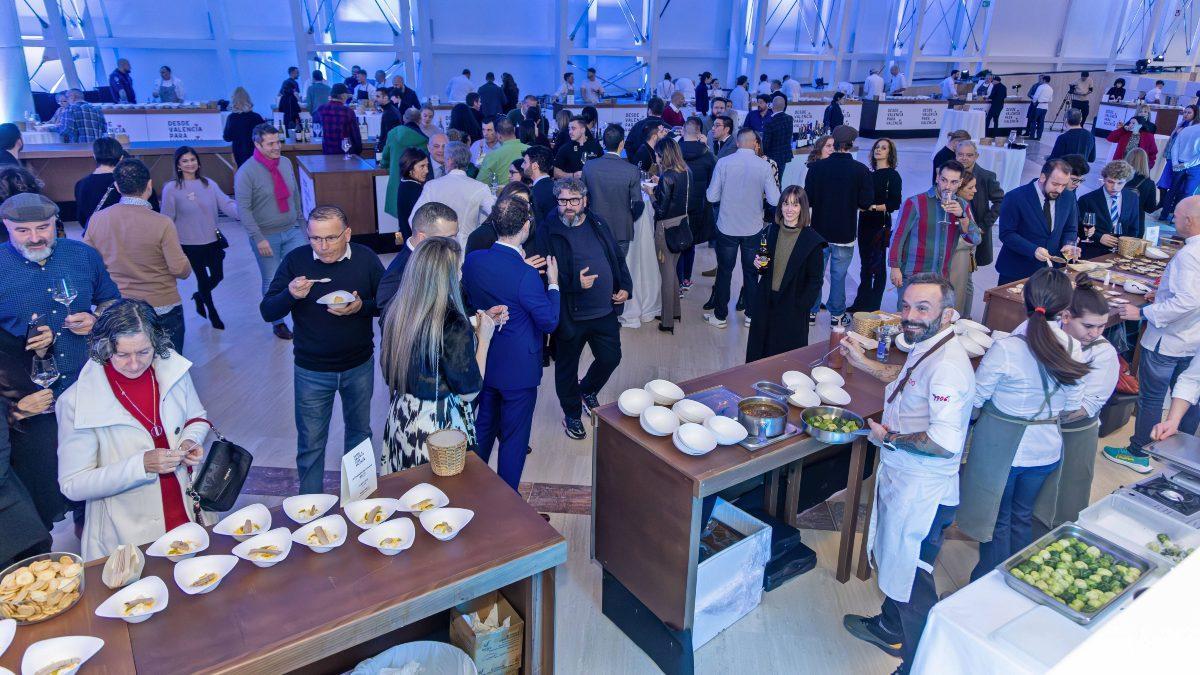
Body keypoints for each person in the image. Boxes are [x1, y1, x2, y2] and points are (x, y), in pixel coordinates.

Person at [840, 274, 974, 674]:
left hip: (924, 492)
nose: (909, 317)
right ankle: (887, 625)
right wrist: (862, 363)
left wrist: (891, 436)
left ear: (948, 314)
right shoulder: (929, 345)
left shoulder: (949, 367)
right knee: (899, 564)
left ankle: (918, 664)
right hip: (907, 479)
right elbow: (902, 380)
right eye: (906, 307)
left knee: (914, 583)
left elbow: (943, 442)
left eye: (922, 309)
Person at [1, 193, 120, 532]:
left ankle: (96, 548)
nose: (35, 237)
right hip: (30, 401)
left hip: (88, 385)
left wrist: (96, 317)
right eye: (22, 231)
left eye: (43, 228)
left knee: (96, 483)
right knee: (40, 492)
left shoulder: (82, 256)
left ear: (56, 223)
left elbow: (112, 301)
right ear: (6, 227)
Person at [960, 268, 1088, 581]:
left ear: (1025, 300)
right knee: (1022, 516)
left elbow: (975, 401)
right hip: (1046, 451)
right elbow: (1073, 407)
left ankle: (987, 586)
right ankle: (1018, 582)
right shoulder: (1073, 348)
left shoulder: (1006, 348)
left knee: (997, 521)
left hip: (1003, 452)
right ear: (1066, 309)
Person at [56, 299, 209, 561]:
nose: (135, 364)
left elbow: (197, 417)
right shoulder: (76, 401)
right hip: (127, 531)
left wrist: (189, 442)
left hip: (187, 510)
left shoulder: (172, 369)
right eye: (123, 355)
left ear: (157, 344)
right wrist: (142, 465)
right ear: (104, 348)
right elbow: (73, 485)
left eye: (144, 352)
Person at [260, 206, 383, 494]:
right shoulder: (295, 260)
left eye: (330, 238)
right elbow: (267, 311)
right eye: (315, 239)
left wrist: (360, 306)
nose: (323, 247)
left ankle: (359, 501)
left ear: (347, 234)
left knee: (359, 435)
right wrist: (290, 294)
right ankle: (310, 510)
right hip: (311, 369)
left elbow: (390, 299)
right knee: (311, 444)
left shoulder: (365, 258)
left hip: (358, 365)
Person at [463, 199, 560, 489]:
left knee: (483, 427)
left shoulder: (474, 261)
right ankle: (507, 503)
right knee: (514, 439)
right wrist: (553, 284)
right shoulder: (526, 275)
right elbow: (549, 321)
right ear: (526, 227)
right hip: (519, 368)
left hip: (485, 357)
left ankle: (470, 489)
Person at [1105, 195, 1200, 472]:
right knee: (1189, 398)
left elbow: (1188, 300)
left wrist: (1144, 313)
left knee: (1151, 397)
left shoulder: (1189, 254)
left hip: (1168, 340)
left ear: (1189, 221)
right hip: (1192, 338)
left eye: (1178, 217)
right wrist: (1163, 293)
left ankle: (1139, 452)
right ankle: (1178, 452)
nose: (1174, 220)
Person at [381, 235, 491, 471]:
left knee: (407, 497)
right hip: (439, 429)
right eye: (458, 268)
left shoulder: (396, 312)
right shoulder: (453, 322)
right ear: (446, 276)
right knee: (441, 500)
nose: (461, 273)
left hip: (401, 419)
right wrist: (484, 340)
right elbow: (469, 392)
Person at [1031, 279, 1119, 532]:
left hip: (1074, 434)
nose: (1095, 333)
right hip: (1041, 428)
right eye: (1089, 326)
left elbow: (1085, 406)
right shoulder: (1048, 334)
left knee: (1064, 494)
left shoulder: (1103, 354)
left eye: (1102, 326)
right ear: (1066, 316)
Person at [546, 178, 631, 439]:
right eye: (563, 201)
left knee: (611, 357)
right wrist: (574, 283)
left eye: (574, 200)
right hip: (571, 315)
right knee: (566, 370)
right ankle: (572, 414)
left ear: (584, 201)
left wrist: (625, 286)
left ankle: (588, 389)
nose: (568, 206)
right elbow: (544, 275)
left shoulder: (597, 222)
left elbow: (616, 257)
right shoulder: (548, 230)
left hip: (603, 309)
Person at [84, 159, 191, 352]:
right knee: (169, 366)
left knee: (129, 367)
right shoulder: (162, 223)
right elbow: (179, 269)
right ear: (149, 184)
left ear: (117, 186)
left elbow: (87, 264)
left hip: (118, 307)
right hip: (162, 305)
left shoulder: (98, 219)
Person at [234, 123, 307, 340]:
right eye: (271, 144)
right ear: (257, 144)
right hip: (266, 237)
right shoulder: (246, 173)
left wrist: (301, 222)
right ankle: (278, 321)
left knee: (303, 270)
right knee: (272, 280)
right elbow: (244, 210)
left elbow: (294, 195)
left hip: (292, 229)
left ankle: (305, 314)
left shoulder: (285, 163)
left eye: (278, 142)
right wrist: (258, 238)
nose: (277, 147)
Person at [705, 128, 781, 328]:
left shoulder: (723, 163)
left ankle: (720, 316)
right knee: (751, 272)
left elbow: (711, 197)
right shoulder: (764, 166)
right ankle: (750, 315)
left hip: (727, 227)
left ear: (737, 143)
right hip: (753, 228)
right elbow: (774, 199)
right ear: (755, 144)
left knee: (724, 272)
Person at [744, 186, 825, 361]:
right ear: (780, 206)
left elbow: (815, 281)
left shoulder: (813, 241)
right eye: (786, 204)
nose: (789, 209)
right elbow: (763, 268)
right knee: (759, 354)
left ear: (803, 208)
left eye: (795, 205)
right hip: (765, 302)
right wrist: (759, 264)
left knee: (786, 360)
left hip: (792, 307)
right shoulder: (770, 231)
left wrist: (800, 307)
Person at [161, 147, 237, 330]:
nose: (190, 164)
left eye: (192, 159)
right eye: (185, 161)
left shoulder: (208, 184)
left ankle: (199, 296)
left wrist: (247, 213)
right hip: (189, 244)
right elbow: (167, 218)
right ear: (178, 166)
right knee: (203, 279)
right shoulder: (171, 188)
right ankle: (212, 312)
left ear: (198, 162)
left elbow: (226, 205)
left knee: (218, 276)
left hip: (212, 240)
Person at [806, 125, 874, 326]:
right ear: (851, 145)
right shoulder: (861, 171)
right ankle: (836, 315)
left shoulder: (816, 168)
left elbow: (808, 199)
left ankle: (810, 311)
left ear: (834, 144)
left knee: (816, 273)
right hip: (845, 233)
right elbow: (865, 203)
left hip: (819, 231)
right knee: (839, 276)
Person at [889, 160, 980, 290]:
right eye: (944, 180)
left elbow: (975, 239)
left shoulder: (962, 206)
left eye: (953, 182)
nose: (947, 186)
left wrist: (962, 217)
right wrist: (894, 267)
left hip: (941, 278)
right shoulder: (915, 202)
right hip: (913, 276)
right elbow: (898, 236)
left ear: (960, 183)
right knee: (908, 310)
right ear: (937, 178)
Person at [995, 159, 1081, 285]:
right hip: (1017, 271)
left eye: (1064, 185)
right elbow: (1007, 234)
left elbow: (1070, 229)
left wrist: (1068, 244)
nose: (1059, 190)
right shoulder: (1015, 197)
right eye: (1055, 184)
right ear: (1042, 177)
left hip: (1052, 272)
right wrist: (1033, 250)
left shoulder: (1069, 197)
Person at [849, 138, 902, 314]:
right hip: (864, 222)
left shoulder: (893, 176)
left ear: (890, 153)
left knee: (877, 266)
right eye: (877, 147)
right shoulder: (868, 174)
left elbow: (895, 203)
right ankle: (860, 303)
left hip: (880, 224)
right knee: (865, 264)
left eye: (883, 148)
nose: (879, 150)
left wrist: (870, 207)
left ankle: (873, 306)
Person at [378, 202, 460, 312]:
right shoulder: (398, 275)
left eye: (455, 236)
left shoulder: (442, 256)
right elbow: (390, 318)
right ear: (422, 238)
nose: (455, 243)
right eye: (448, 238)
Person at [643, 137, 689, 334]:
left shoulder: (667, 177)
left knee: (666, 274)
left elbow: (660, 210)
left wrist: (651, 193)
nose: (656, 156)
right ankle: (675, 311)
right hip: (682, 224)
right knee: (673, 270)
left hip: (665, 228)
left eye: (658, 154)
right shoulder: (685, 172)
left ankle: (667, 320)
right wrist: (659, 184)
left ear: (664, 155)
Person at [413, 141, 496, 247]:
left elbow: (414, 218)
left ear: (449, 160)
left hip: (437, 248)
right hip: (467, 249)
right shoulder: (480, 187)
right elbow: (496, 214)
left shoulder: (432, 186)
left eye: (445, 158)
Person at [581, 125, 643, 258]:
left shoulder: (589, 166)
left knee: (599, 269)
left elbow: (582, 198)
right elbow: (638, 204)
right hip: (622, 229)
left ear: (603, 143)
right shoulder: (631, 170)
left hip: (595, 227)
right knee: (619, 271)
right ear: (622, 143)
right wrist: (629, 217)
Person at [954, 138, 1004, 277]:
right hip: (952, 232)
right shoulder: (948, 174)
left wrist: (984, 225)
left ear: (976, 156)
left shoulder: (986, 176)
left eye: (969, 155)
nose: (964, 158)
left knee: (967, 275)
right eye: (960, 154)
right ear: (955, 154)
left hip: (975, 232)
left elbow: (1000, 201)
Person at [678, 118, 717, 293]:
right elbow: (713, 182)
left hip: (676, 205)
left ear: (683, 131)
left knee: (675, 244)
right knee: (690, 243)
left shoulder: (675, 153)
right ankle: (686, 278)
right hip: (698, 205)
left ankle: (676, 280)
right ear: (700, 133)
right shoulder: (708, 155)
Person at [1077, 160, 1141, 258]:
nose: (1114, 187)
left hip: (1120, 254)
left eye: (1120, 183)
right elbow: (1078, 227)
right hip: (1092, 253)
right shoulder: (1087, 199)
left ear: (1126, 181)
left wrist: (1127, 248)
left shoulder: (1132, 198)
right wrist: (1099, 237)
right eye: (1110, 182)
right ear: (1104, 179)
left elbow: (1134, 227)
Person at [1158, 104, 1199, 221]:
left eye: (1189, 112)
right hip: (1194, 166)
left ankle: (1164, 215)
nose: (1186, 115)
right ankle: (1177, 218)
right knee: (1187, 193)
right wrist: (1183, 165)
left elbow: (1175, 146)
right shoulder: (1184, 127)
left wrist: (1176, 163)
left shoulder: (1185, 129)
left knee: (1173, 190)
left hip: (1180, 163)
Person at [475, 118, 529, 187]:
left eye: (489, 130)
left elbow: (480, 183)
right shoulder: (530, 149)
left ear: (499, 136)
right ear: (514, 130)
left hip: (504, 195)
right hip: (527, 194)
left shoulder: (491, 156)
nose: (486, 133)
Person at [222, 87, 266, 167]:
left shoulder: (231, 118)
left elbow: (227, 137)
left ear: (234, 101)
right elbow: (265, 135)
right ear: (248, 100)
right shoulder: (256, 117)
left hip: (239, 153)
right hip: (256, 152)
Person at [314, 84, 362, 156]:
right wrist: (359, 150)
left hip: (328, 150)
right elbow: (355, 134)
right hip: (345, 151)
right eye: (346, 94)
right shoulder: (348, 111)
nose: (347, 96)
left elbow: (315, 125)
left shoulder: (321, 109)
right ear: (343, 96)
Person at [1123, 147, 1159, 230]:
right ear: (1145, 162)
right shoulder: (1149, 183)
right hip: (1136, 223)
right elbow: (1150, 209)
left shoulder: (1119, 178)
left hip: (1116, 220)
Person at [762, 94, 794, 183]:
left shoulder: (769, 122)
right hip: (783, 156)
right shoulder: (789, 119)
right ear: (784, 106)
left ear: (772, 105)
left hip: (771, 158)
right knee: (779, 181)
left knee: (771, 184)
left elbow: (766, 143)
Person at [624, 98, 666, 165]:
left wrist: (635, 163)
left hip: (639, 169)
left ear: (649, 110)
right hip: (664, 170)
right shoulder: (668, 128)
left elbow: (628, 146)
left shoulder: (637, 126)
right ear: (662, 110)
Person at [374, 88, 400, 154]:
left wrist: (380, 149)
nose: (375, 99)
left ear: (385, 98)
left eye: (378, 96)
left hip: (390, 150)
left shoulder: (389, 113)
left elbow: (389, 136)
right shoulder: (391, 110)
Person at [1027, 75, 1053, 140]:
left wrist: (1034, 102)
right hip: (1045, 107)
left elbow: (1035, 97)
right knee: (1041, 122)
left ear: (1044, 80)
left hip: (1038, 106)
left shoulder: (1041, 87)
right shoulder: (1051, 89)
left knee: (1034, 121)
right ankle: (1039, 137)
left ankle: (1031, 136)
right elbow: (1051, 100)